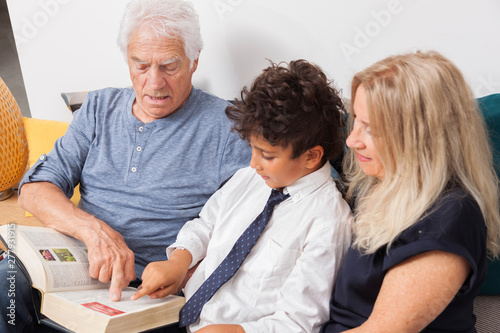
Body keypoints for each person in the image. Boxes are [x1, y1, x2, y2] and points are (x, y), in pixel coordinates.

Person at [1, 0, 251, 331]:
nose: (154, 82)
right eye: (141, 65)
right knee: (6, 284)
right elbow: (35, 189)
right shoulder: (98, 107)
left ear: (194, 60)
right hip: (75, 270)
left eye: (169, 66)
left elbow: (255, 219)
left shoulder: (230, 127)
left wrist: (188, 269)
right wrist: (95, 232)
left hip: (150, 292)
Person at [131, 59, 353, 333]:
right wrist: (179, 261)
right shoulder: (251, 179)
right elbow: (206, 223)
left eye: (268, 156)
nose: (253, 163)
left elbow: (298, 322)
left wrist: (236, 331)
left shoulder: (329, 222)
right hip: (178, 315)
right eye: (253, 149)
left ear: (311, 156)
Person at [321, 51, 500, 333]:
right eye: (355, 119)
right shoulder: (377, 182)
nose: (352, 140)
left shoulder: (449, 218)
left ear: (421, 137)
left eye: (370, 129)